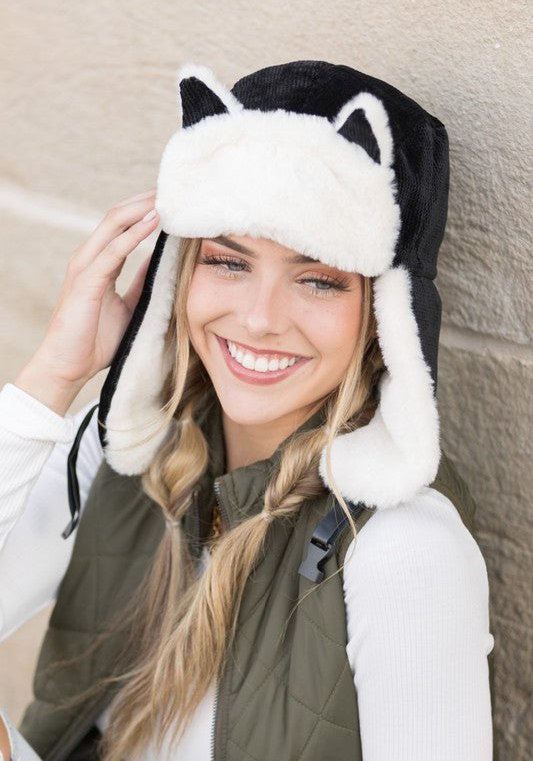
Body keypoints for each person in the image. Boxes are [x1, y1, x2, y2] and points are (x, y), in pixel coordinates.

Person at [0, 61, 494, 761]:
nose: (260, 318)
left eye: (318, 280)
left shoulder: (404, 549)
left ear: (384, 315)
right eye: (228, 263)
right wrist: (55, 373)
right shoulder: (123, 454)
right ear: (178, 271)